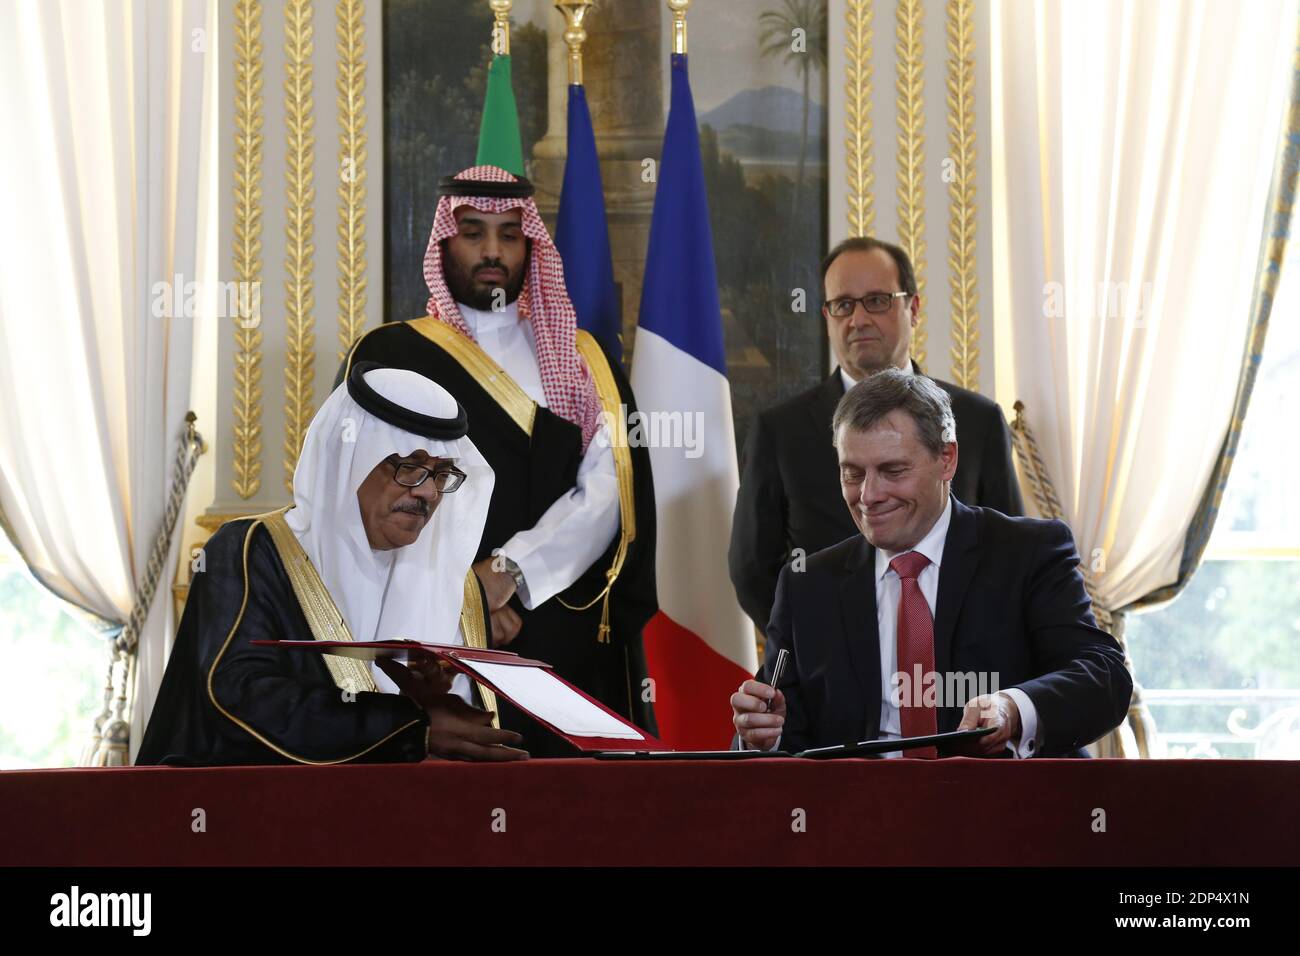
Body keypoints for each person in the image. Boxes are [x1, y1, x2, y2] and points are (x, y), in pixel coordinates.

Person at [341, 165, 657, 755]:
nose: (492, 250)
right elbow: (362, 492)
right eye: (474, 231)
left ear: (529, 243)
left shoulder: (583, 361)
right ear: (444, 241)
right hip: (420, 631)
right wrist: (460, 591)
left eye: (509, 234)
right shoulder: (390, 353)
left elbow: (607, 493)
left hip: (555, 627)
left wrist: (508, 575)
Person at [136, 363, 527, 765]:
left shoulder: (454, 587)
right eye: (410, 467)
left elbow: (473, 732)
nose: (428, 492)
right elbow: (239, 694)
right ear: (350, 457)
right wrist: (408, 726)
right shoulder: (251, 550)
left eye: (442, 474)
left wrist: (427, 702)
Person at [730, 369, 1131, 758]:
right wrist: (761, 738)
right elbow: (783, 739)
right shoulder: (806, 586)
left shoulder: (1028, 552)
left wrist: (1013, 709)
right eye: (852, 474)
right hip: (861, 816)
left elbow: (1105, 678)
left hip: (1003, 811)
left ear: (947, 460)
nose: (869, 495)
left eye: (892, 471)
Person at [730, 236, 1025, 633]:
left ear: (913, 308)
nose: (858, 319)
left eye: (877, 301)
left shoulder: (977, 420)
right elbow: (752, 569)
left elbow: (1007, 554)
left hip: (959, 672)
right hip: (830, 679)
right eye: (843, 305)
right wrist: (815, 648)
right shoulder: (779, 431)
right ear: (827, 315)